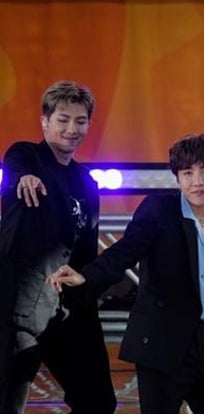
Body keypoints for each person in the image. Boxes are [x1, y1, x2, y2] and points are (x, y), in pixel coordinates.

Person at [47, 134, 204, 414]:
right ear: (178, 177)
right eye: (188, 173)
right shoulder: (159, 210)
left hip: (202, 343)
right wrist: (87, 277)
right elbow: (126, 250)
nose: (197, 181)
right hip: (161, 342)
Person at [0, 80, 116, 414]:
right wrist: (24, 178)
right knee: (8, 402)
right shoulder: (27, 157)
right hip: (23, 309)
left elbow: (86, 249)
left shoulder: (87, 182)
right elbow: (15, 164)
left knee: (98, 401)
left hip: (69, 308)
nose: (71, 129)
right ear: (45, 121)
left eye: (80, 121)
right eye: (63, 120)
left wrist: (88, 289)